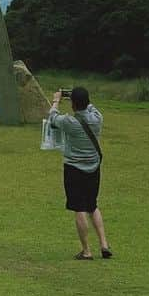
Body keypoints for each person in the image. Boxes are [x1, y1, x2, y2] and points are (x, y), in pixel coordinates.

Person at [46, 86, 113, 261]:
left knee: (79, 208)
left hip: (74, 168)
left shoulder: (70, 122)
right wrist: (80, 99)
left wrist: (56, 101)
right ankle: (104, 244)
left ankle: (86, 251)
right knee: (92, 205)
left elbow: (52, 117)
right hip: (93, 167)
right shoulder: (97, 118)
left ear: (73, 104)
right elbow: (90, 107)